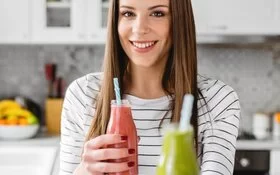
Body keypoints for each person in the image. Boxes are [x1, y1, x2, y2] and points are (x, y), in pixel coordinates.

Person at [59, 0, 241, 174]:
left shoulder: (217, 101)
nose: (140, 28)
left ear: (179, 20)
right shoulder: (83, 95)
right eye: (128, 13)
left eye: (157, 13)